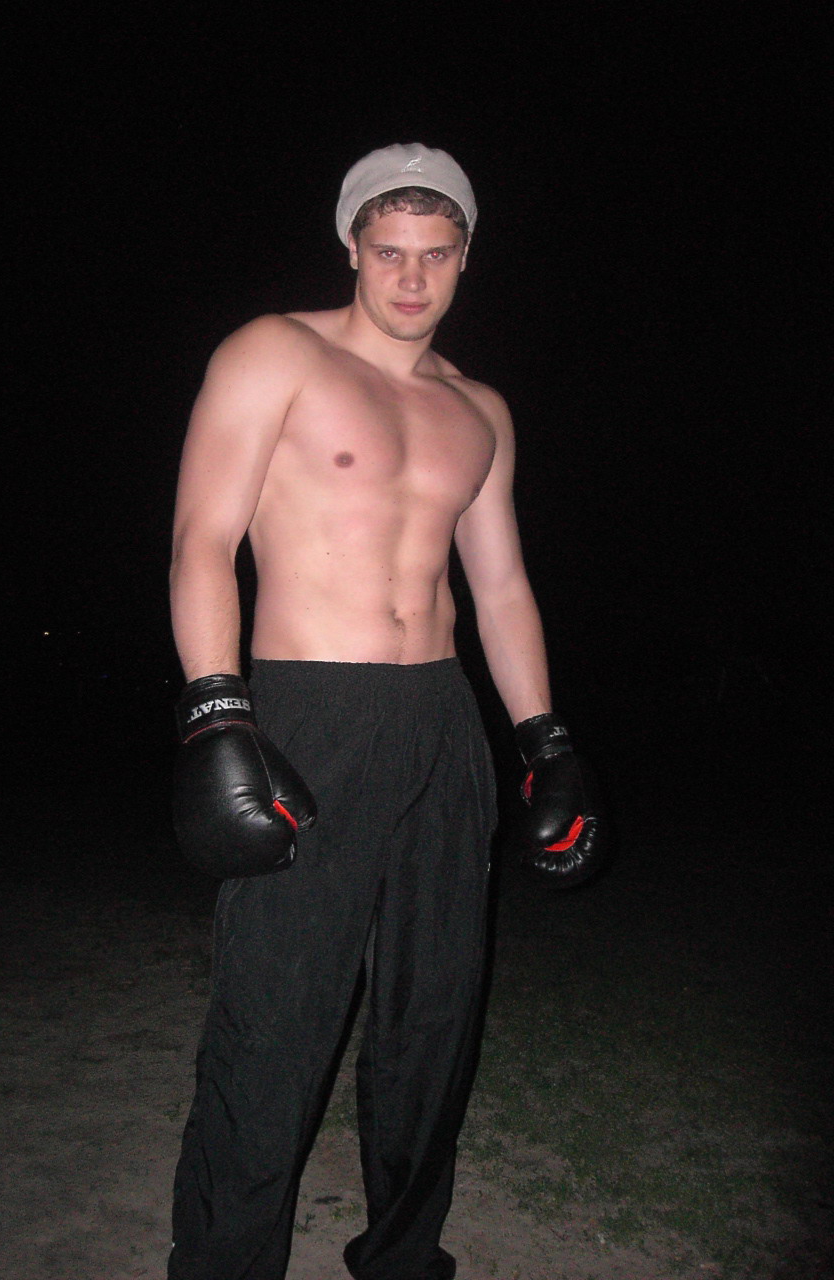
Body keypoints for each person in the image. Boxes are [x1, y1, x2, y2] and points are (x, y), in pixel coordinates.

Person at [167, 143, 605, 1280]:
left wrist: (545, 740)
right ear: (352, 246)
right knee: (276, 1018)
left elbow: (500, 588)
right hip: (311, 711)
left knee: (434, 1017)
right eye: (391, 251)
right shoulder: (275, 353)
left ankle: (405, 1258)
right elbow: (203, 537)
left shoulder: (479, 409)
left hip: (442, 725)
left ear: (466, 257)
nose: (412, 277)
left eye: (437, 254)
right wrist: (217, 708)